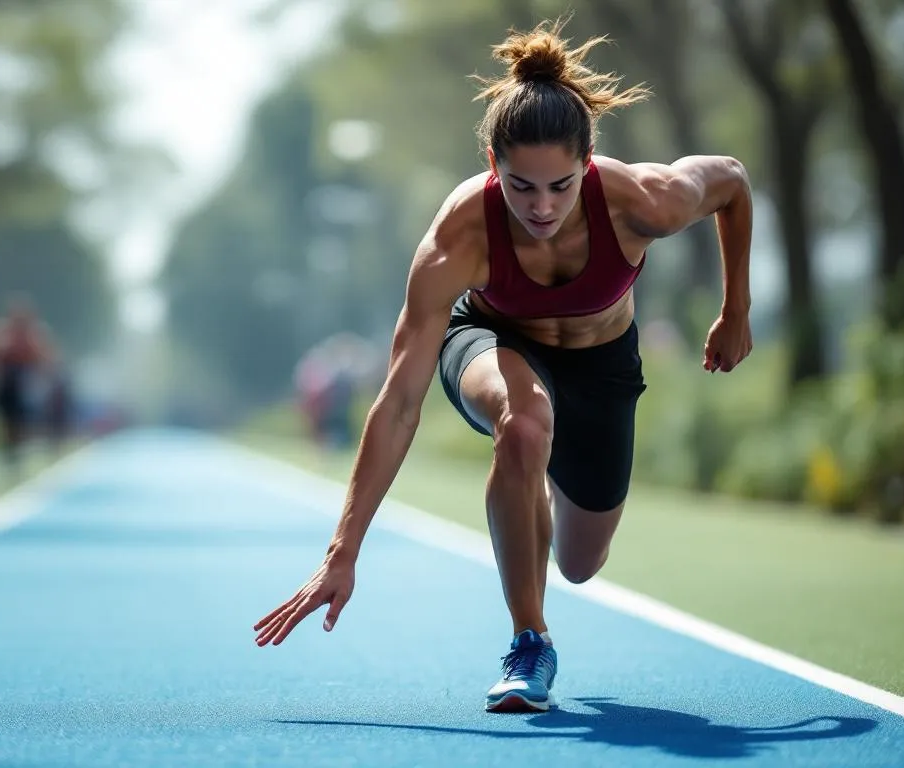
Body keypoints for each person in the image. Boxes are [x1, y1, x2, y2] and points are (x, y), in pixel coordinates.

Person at [253, 17, 755, 713]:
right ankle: (530, 641)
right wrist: (344, 550)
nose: (541, 207)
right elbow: (399, 402)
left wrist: (736, 311)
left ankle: (534, 481)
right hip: (492, 341)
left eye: (560, 187)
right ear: (493, 165)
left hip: (601, 365)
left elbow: (731, 181)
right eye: (521, 188)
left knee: (580, 564)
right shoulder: (458, 235)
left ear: (588, 164)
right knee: (523, 424)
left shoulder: (645, 203)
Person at [0, 296, 61, 469]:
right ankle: (10, 452)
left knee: (23, 419)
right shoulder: (1, 332)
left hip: (27, 384)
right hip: (6, 384)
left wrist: (44, 380)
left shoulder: (37, 333)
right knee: (7, 421)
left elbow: (46, 360)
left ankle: (24, 447)